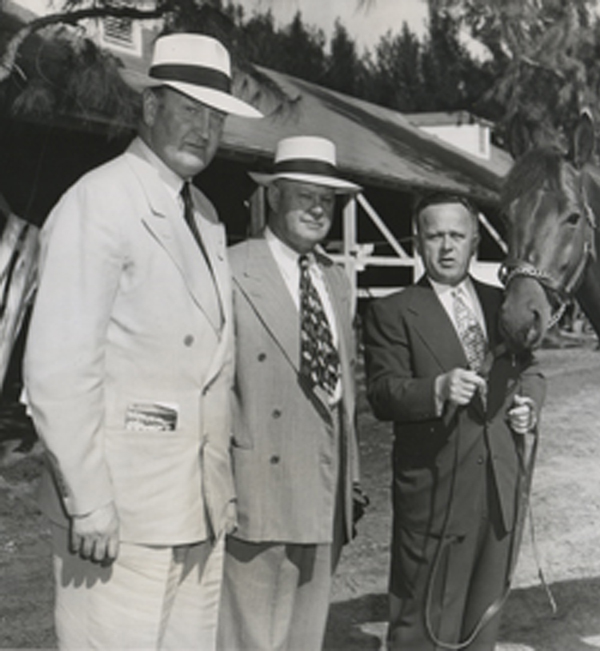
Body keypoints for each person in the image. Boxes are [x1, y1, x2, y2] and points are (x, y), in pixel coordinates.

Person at [22, 33, 262, 650]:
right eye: (189, 109)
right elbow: (57, 370)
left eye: (216, 117)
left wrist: (220, 495)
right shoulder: (98, 202)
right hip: (117, 517)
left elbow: (212, 369)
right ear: (150, 108)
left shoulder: (205, 214)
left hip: (193, 510)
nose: (204, 130)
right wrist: (90, 503)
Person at [363, 193, 546, 650]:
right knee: (421, 627)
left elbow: (529, 369)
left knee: (481, 626)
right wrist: (437, 389)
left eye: (457, 236)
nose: (447, 247)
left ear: (475, 242)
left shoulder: (502, 305)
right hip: (435, 495)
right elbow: (382, 393)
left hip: (498, 493)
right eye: (435, 236)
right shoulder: (392, 311)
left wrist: (528, 405)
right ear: (417, 244)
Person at [217, 135, 364, 651]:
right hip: (257, 489)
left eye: (327, 199)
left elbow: (344, 391)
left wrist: (353, 481)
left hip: (325, 490)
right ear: (273, 196)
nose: (318, 208)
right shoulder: (232, 268)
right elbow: (213, 388)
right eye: (304, 195)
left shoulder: (335, 279)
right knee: (251, 639)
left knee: (305, 637)